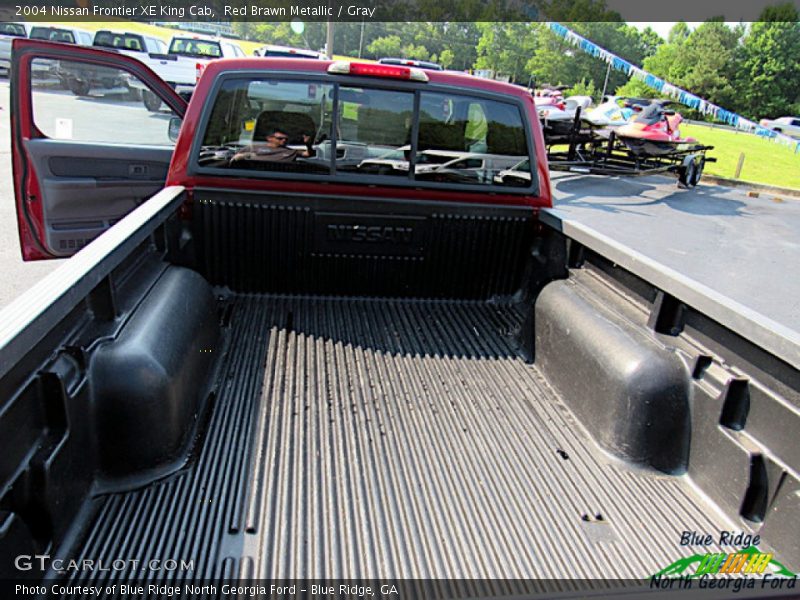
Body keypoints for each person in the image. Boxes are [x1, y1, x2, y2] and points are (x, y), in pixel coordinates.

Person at [232, 126, 314, 163]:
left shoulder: (291, 151)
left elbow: (308, 154)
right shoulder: (253, 148)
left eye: (286, 139)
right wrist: (245, 156)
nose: (284, 140)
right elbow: (234, 158)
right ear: (269, 138)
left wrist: (308, 144)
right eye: (280, 138)